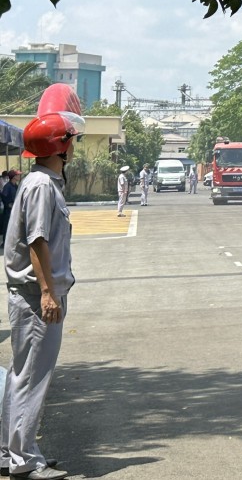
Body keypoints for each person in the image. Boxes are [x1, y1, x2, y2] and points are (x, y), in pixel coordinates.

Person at [2, 110, 83, 480]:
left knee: (23, 374)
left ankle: (10, 452)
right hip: (38, 297)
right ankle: (23, 459)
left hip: (37, 294)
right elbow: (37, 241)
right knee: (32, 376)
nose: (72, 146)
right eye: (69, 141)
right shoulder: (40, 186)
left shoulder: (43, 182)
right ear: (60, 148)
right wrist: (49, 293)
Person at [1, 170, 21, 238]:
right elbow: (4, 196)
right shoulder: (7, 186)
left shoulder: (15, 185)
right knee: (7, 227)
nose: (19, 176)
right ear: (13, 177)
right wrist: (8, 205)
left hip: (15, 210)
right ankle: (4, 243)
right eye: (17, 175)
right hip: (8, 211)